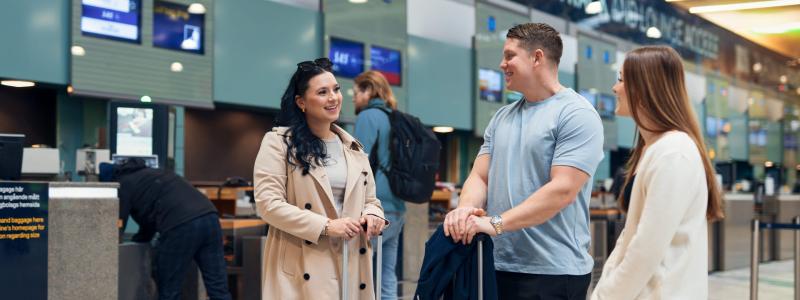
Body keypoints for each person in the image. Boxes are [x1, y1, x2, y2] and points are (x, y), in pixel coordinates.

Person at [444, 23, 605, 299]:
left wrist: (495, 223)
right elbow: (480, 176)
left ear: (537, 57)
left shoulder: (577, 114)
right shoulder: (502, 117)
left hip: (552, 272)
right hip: (497, 263)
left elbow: (562, 190)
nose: (501, 64)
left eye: (509, 56)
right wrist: (466, 210)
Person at [590, 46, 724, 299]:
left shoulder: (673, 153)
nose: (615, 88)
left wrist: (605, 296)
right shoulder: (657, 149)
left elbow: (645, 250)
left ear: (644, 87)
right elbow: (633, 238)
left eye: (620, 79)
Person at [253, 57, 387, 299]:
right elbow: (268, 205)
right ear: (301, 102)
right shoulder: (279, 143)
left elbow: (371, 200)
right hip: (303, 263)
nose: (333, 98)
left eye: (335, 89)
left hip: (351, 261)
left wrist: (374, 214)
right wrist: (326, 226)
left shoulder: (353, 147)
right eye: (322, 92)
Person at [105, 158, 232, 300]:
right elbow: (149, 220)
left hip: (181, 225)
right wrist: (141, 238)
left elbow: (118, 221)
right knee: (218, 287)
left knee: (169, 290)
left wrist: (115, 242)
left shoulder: (123, 184)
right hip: (210, 216)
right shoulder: (154, 174)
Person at [352, 70, 405, 300]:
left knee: (361, 274)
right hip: (398, 204)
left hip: (375, 206)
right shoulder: (395, 116)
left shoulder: (368, 116)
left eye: (355, 92)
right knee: (387, 275)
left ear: (368, 90)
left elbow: (357, 162)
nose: (353, 98)